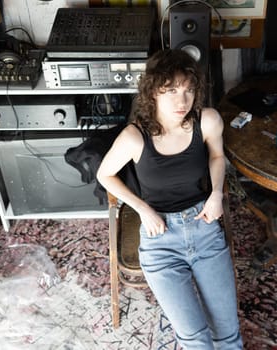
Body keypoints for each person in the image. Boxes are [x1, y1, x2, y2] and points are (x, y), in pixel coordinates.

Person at [96, 49, 242, 349]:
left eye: (189, 91)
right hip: (161, 241)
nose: (182, 101)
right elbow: (104, 175)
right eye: (172, 90)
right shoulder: (134, 137)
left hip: (204, 228)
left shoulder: (208, 120)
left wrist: (215, 194)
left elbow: (216, 155)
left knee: (228, 335)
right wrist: (142, 208)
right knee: (194, 337)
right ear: (153, 92)